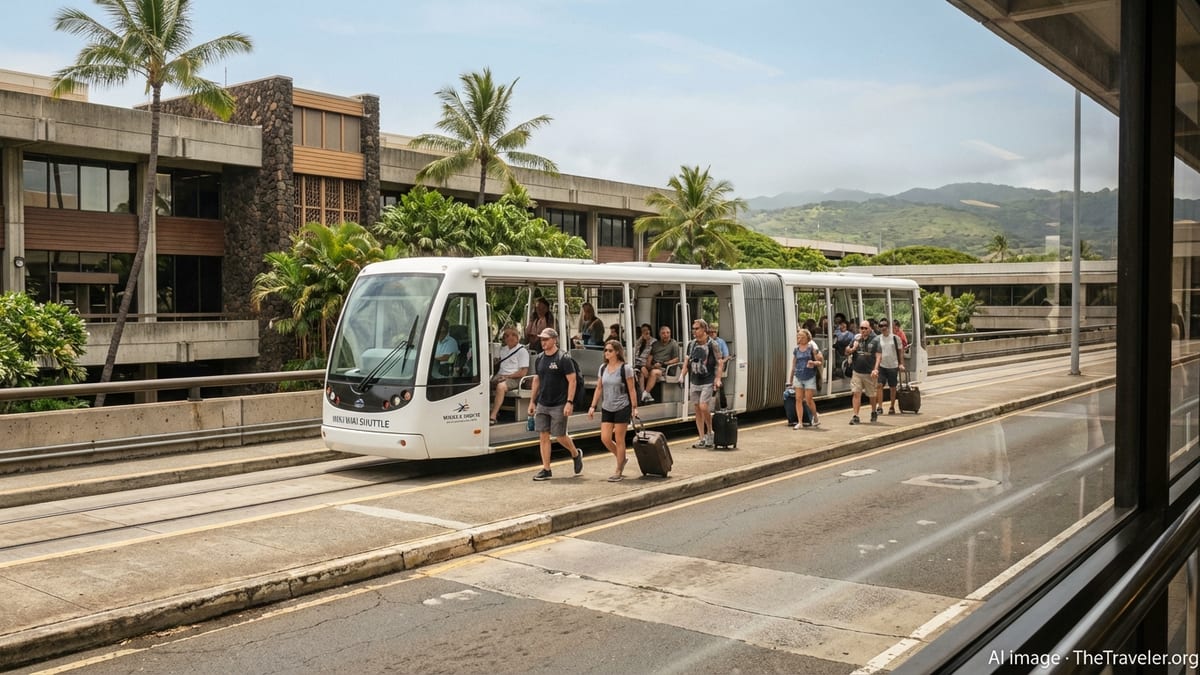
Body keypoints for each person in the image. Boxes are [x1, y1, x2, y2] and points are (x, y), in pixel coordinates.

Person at [527, 328, 584, 481]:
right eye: (541, 339)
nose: (543, 342)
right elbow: (537, 379)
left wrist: (569, 402)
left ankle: (575, 453)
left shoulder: (563, 359)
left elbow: (572, 381)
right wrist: (532, 401)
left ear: (554, 340)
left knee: (559, 435)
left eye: (546, 339)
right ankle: (546, 469)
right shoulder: (539, 358)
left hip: (559, 403)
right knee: (543, 435)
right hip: (543, 402)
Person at [588, 339, 638, 481]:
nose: (606, 353)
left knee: (619, 439)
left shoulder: (625, 368)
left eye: (610, 350)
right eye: (605, 350)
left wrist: (634, 408)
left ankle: (618, 470)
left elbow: (631, 389)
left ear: (617, 352)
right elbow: (599, 388)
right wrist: (592, 406)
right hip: (607, 406)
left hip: (622, 406)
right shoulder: (602, 368)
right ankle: (621, 458)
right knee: (605, 438)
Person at [685, 319, 723, 448]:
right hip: (695, 380)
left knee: (703, 406)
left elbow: (720, 362)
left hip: (708, 379)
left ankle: (710, 431)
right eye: (693, 328)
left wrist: (718, 378)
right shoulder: (691, 344)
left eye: (696, 329)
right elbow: (687, 361)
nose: (694, 331)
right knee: (697, 408)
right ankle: (701, 437)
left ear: (703, 329)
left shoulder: (713, 344)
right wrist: (681, 375)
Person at [489, 326, 529, 425]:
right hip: (500, 375)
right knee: (484, 384)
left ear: (517, 337)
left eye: (512, 335)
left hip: (516, 378)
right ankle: (487, 409)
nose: (509, 338)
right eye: (506, 336)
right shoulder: (503, 350)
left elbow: (523, 372)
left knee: (501, 386)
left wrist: (507, 377)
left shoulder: (522, 351)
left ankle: (493, 415)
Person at [846, 320, 881, 424]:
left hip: (869, 372)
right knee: (856, 393)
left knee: (872, 395)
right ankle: (855, 416)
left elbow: (878, 356)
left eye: (866, 328)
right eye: (861, 328)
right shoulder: (856, 338)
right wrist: (852, 348)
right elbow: (847, 350)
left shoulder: (875, 340)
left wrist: (875, 369)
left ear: (870, 329)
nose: (863, 330)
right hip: (857, 371)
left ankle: (874, 411)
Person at [789, 328, 822, 428]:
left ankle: (815, 417)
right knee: (798, 399)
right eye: (798, 336)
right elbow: (793, 365)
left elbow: (819, 362)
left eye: (802, 336)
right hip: (798, 376)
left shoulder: (811, 348)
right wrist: (790, 380)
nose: (799, 338)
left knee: (808, 400)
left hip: (809, 376)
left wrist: (813, 363)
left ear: (807, 338)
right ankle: (800, 422)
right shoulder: (796, 349)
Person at [641, 325, 681, 403]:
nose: (666, 335)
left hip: (666, 368)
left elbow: (676, 359)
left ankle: (646, 393)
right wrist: (648, 366)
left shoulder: (673, 344)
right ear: (660, 335)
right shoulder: (655, 344)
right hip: (654, 365)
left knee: (654, 372)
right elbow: (650, 357)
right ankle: (642, 394)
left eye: (668, 333)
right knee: (641, 372)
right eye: (663, 333)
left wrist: (663, 364)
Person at [873, 319, 905, 415]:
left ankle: (892, 406)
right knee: (879, 385)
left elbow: (900, 352)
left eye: (885, 325)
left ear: (888, 326)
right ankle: (880, 407)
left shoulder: (895, 338)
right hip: (882, 366)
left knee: (892, 387)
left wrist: (901, 364)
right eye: (881, 326)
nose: (883, 328)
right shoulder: (878, 339)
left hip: (893, 366)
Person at [632, 323, 654, 388]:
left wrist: (647, 340)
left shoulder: (653, 342)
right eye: (643, 331)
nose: (645, 332)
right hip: (637, 364)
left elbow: (651, 356)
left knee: (641, 373)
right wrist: (641, 339)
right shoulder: (640, 341)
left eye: (646, 330)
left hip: (646, 364)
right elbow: (635, 352)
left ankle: (642, 394)